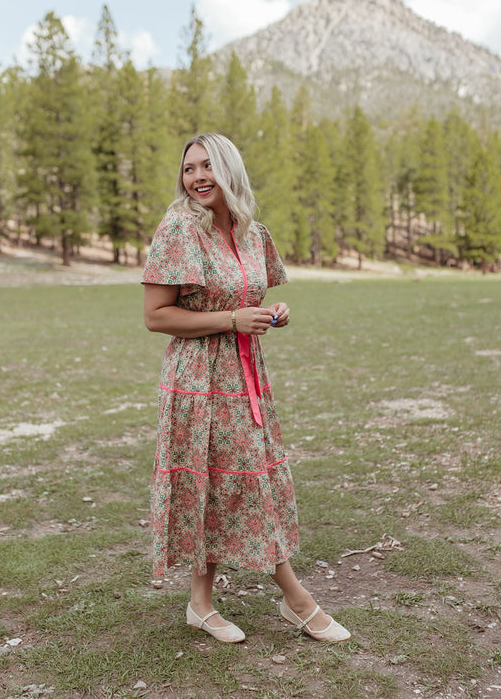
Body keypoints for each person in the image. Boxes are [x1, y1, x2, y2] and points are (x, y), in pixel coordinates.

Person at [142, 133, 350, 644]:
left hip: (246, 374)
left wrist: (272, 313)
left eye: (208, 165)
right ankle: (298, 600)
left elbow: (254, 294)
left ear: (230, 169)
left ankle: (200, 603)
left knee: (223, 482)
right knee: (237, 483)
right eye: (189, 168)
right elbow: (155, 316)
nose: (197, 177)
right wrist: (232, 319)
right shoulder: (178, 229)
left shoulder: (253, 232)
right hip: (198, 379)